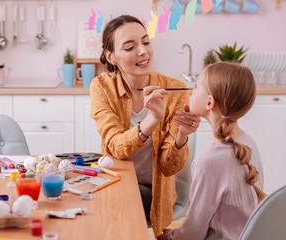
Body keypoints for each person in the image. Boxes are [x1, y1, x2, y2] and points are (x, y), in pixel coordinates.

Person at [89, 15, 200, 236]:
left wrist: (182, 136)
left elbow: (169, 168)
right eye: (130, 47)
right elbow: (115, 147)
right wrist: (151, 121)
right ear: (111, 56)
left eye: (146, 42)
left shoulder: (174, 90)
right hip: (117, 184)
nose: (143, 51)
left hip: (154, 194)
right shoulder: (101, 87)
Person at [157, 62, 266, 240]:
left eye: (197, 86)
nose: (192, 90)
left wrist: (170, 237)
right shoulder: (249, 143)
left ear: (209, 102)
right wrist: (178, 233)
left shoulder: (208, 163)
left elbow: (193, 234)